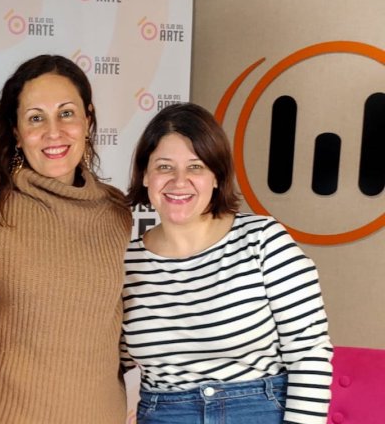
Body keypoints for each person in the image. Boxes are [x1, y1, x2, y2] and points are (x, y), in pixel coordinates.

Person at [121, 102, 333, 423]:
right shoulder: (125, 263)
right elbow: (108, 362)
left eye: (196, 167)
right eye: (164, 167)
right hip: (163, 414)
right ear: (145, 175)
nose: (179, 181)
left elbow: (310, 354)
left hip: (258, 412)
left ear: (217, 177)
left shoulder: (263, 239)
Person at [0, 54, 133, 423]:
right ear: (15, 130)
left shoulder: (118, 213)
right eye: (36, 118)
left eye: (67, 113)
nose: (53, 132)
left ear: (88, 119)